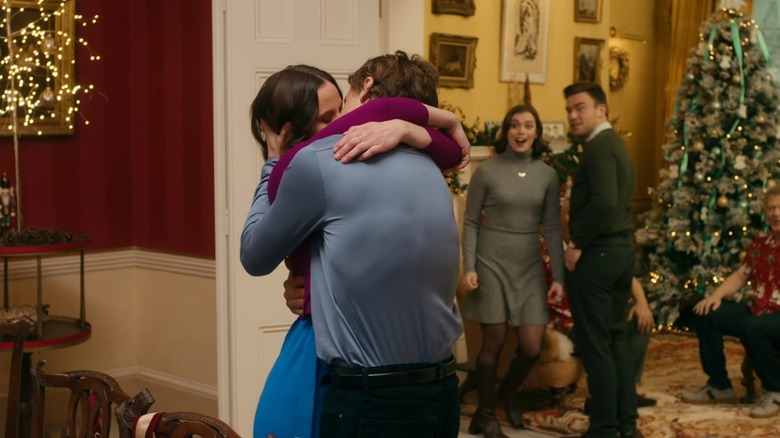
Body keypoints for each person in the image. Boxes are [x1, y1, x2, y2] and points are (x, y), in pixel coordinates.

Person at [242, 52, 465, 438]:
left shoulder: (318, 162)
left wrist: (273, 159)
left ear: (364, 89)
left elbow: (255, 255)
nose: (337, 123)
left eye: (340, 107)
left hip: (372, 398)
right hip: (442, 390)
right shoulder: (432, 164)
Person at [459, 104, 565, 438]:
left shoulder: (547, 174)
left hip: (530, 265)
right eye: (515, 126)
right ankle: (485, 415)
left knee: (532, 346)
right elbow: (472, 221)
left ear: (537, 132)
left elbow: (551, 227)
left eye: (528, 126)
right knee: (494, 340)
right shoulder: (487, 171)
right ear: (506, 131)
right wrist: (470, 266)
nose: (521, 132)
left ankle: (507, 395)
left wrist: (559, 277)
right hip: (491, 261)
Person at [562, 81, 638, 438]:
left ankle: (605, 428)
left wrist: (576, 241)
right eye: (569, 110)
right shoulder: (616, 145)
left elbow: (605, 201)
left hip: (599, 255)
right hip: (621, 251)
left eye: (581, 107)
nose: (574, 115)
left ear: (601, 110)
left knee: (597, 346)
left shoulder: (598, 146)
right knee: (615, 341)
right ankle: (626, 424)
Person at [680, 184, 780, 419]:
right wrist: (715, 297)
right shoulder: (761, 244)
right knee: (705, 313)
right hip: (759, 311)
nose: (776, 213)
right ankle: (719, 386)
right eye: (771, 208)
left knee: (751, 327)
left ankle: (775, 391)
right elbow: (741, 275)